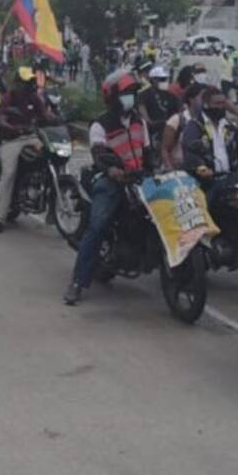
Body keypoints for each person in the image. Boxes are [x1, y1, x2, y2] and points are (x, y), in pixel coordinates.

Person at [64, 69, 150, 305]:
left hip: (140, 179)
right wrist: (113, 171)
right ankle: (77, 283)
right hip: (111, 180)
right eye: (126, 93)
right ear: (112, 96)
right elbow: (99, 155)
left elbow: (149, 153)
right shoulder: (100, 125)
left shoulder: (139, 122)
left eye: (133, 93)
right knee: (98, 224)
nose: (130, 98)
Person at [0, 66, 53, 233]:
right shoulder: (8, 97)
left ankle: (49, 206)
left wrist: (59, 119)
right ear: (18, 83)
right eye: (26, 82)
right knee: (8, 173)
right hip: (11, 140)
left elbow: (45, 116)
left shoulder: (35, 98)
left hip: (31, 137)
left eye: (31, 81)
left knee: (51, 156)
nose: (29, 85)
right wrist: (14, 128)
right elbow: (1, 119)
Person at [181, 90, 238, 185]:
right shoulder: (195, 126)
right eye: (217, 104)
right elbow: (190, 150)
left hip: (232, 177)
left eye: (223, 103)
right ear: (206, 105)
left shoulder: (229, 127)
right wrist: (200, 166)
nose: (221, 107)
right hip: (206, 181)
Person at [159, 82, 205, 171]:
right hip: (179, 169)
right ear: (191, 99)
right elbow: (165, 149)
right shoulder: (177, 120)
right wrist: (172, 170)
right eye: (202, 97)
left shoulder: (206, 121)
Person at [140, 66, 179, 138]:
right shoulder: (144, 95)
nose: (164, 81)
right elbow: (143, 112)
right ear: (153, 79)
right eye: (161, 79)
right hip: (152, 132)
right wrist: (150, 122)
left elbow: (178, 113)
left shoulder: (171, 96)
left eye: (165, 79)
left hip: (169, 130)